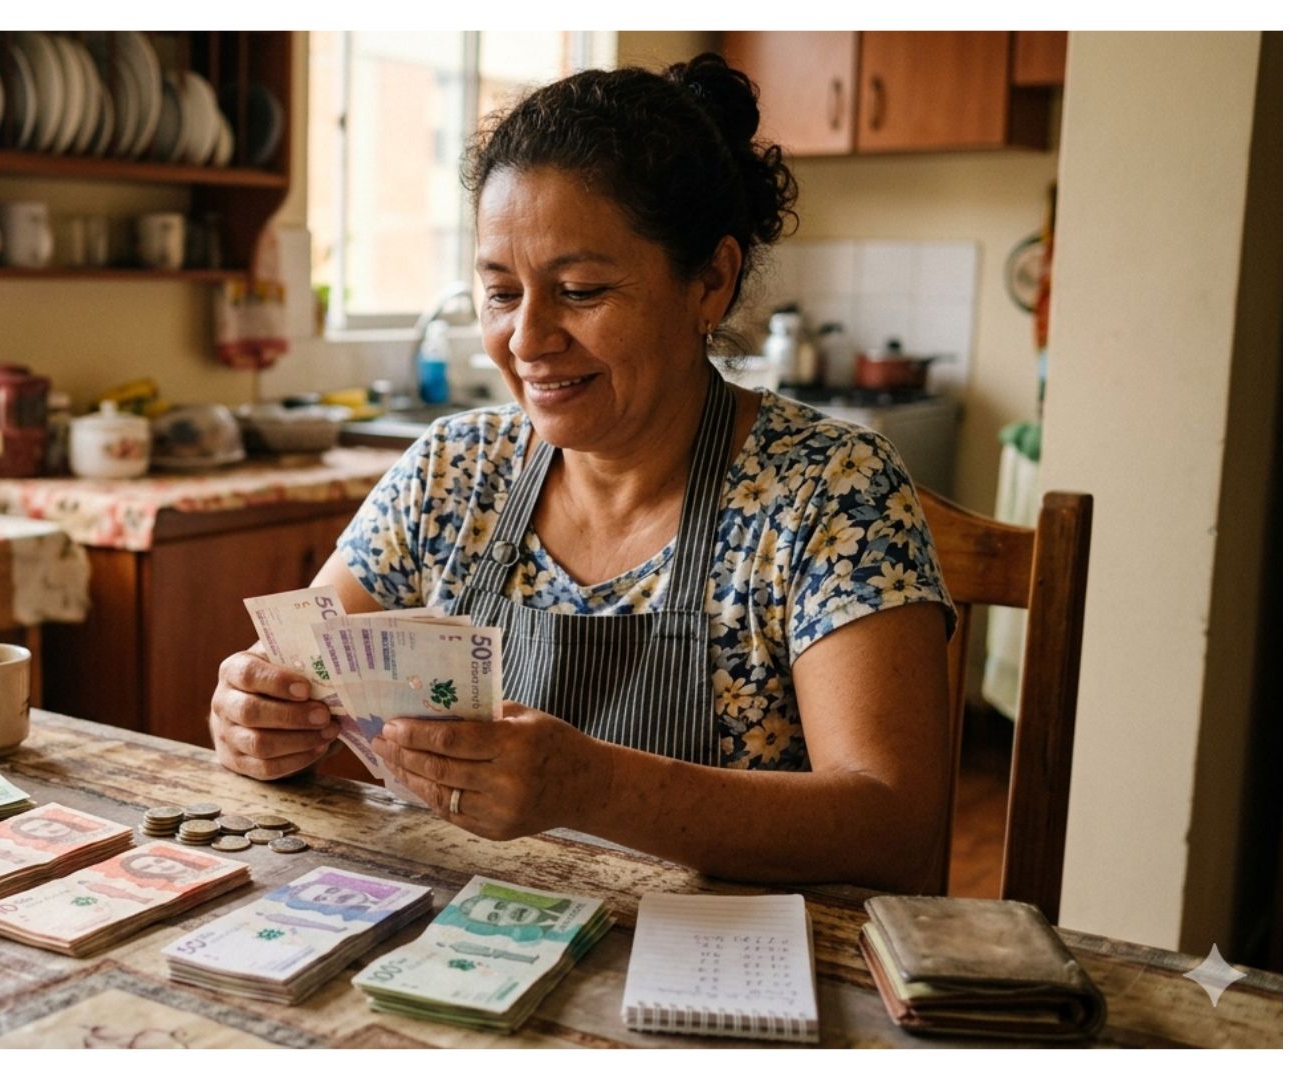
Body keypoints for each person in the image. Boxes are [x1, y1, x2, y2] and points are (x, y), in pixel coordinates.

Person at [208, 54, 955, 893]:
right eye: (501, 293)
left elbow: (894, 825)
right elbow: (290, 678)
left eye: (581, 290)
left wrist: (592, 787)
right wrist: (255, 720)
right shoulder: (453, 471)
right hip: (461, 932)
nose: (528, 339)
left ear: (711, 281)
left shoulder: (830, 490)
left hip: (715, 954)